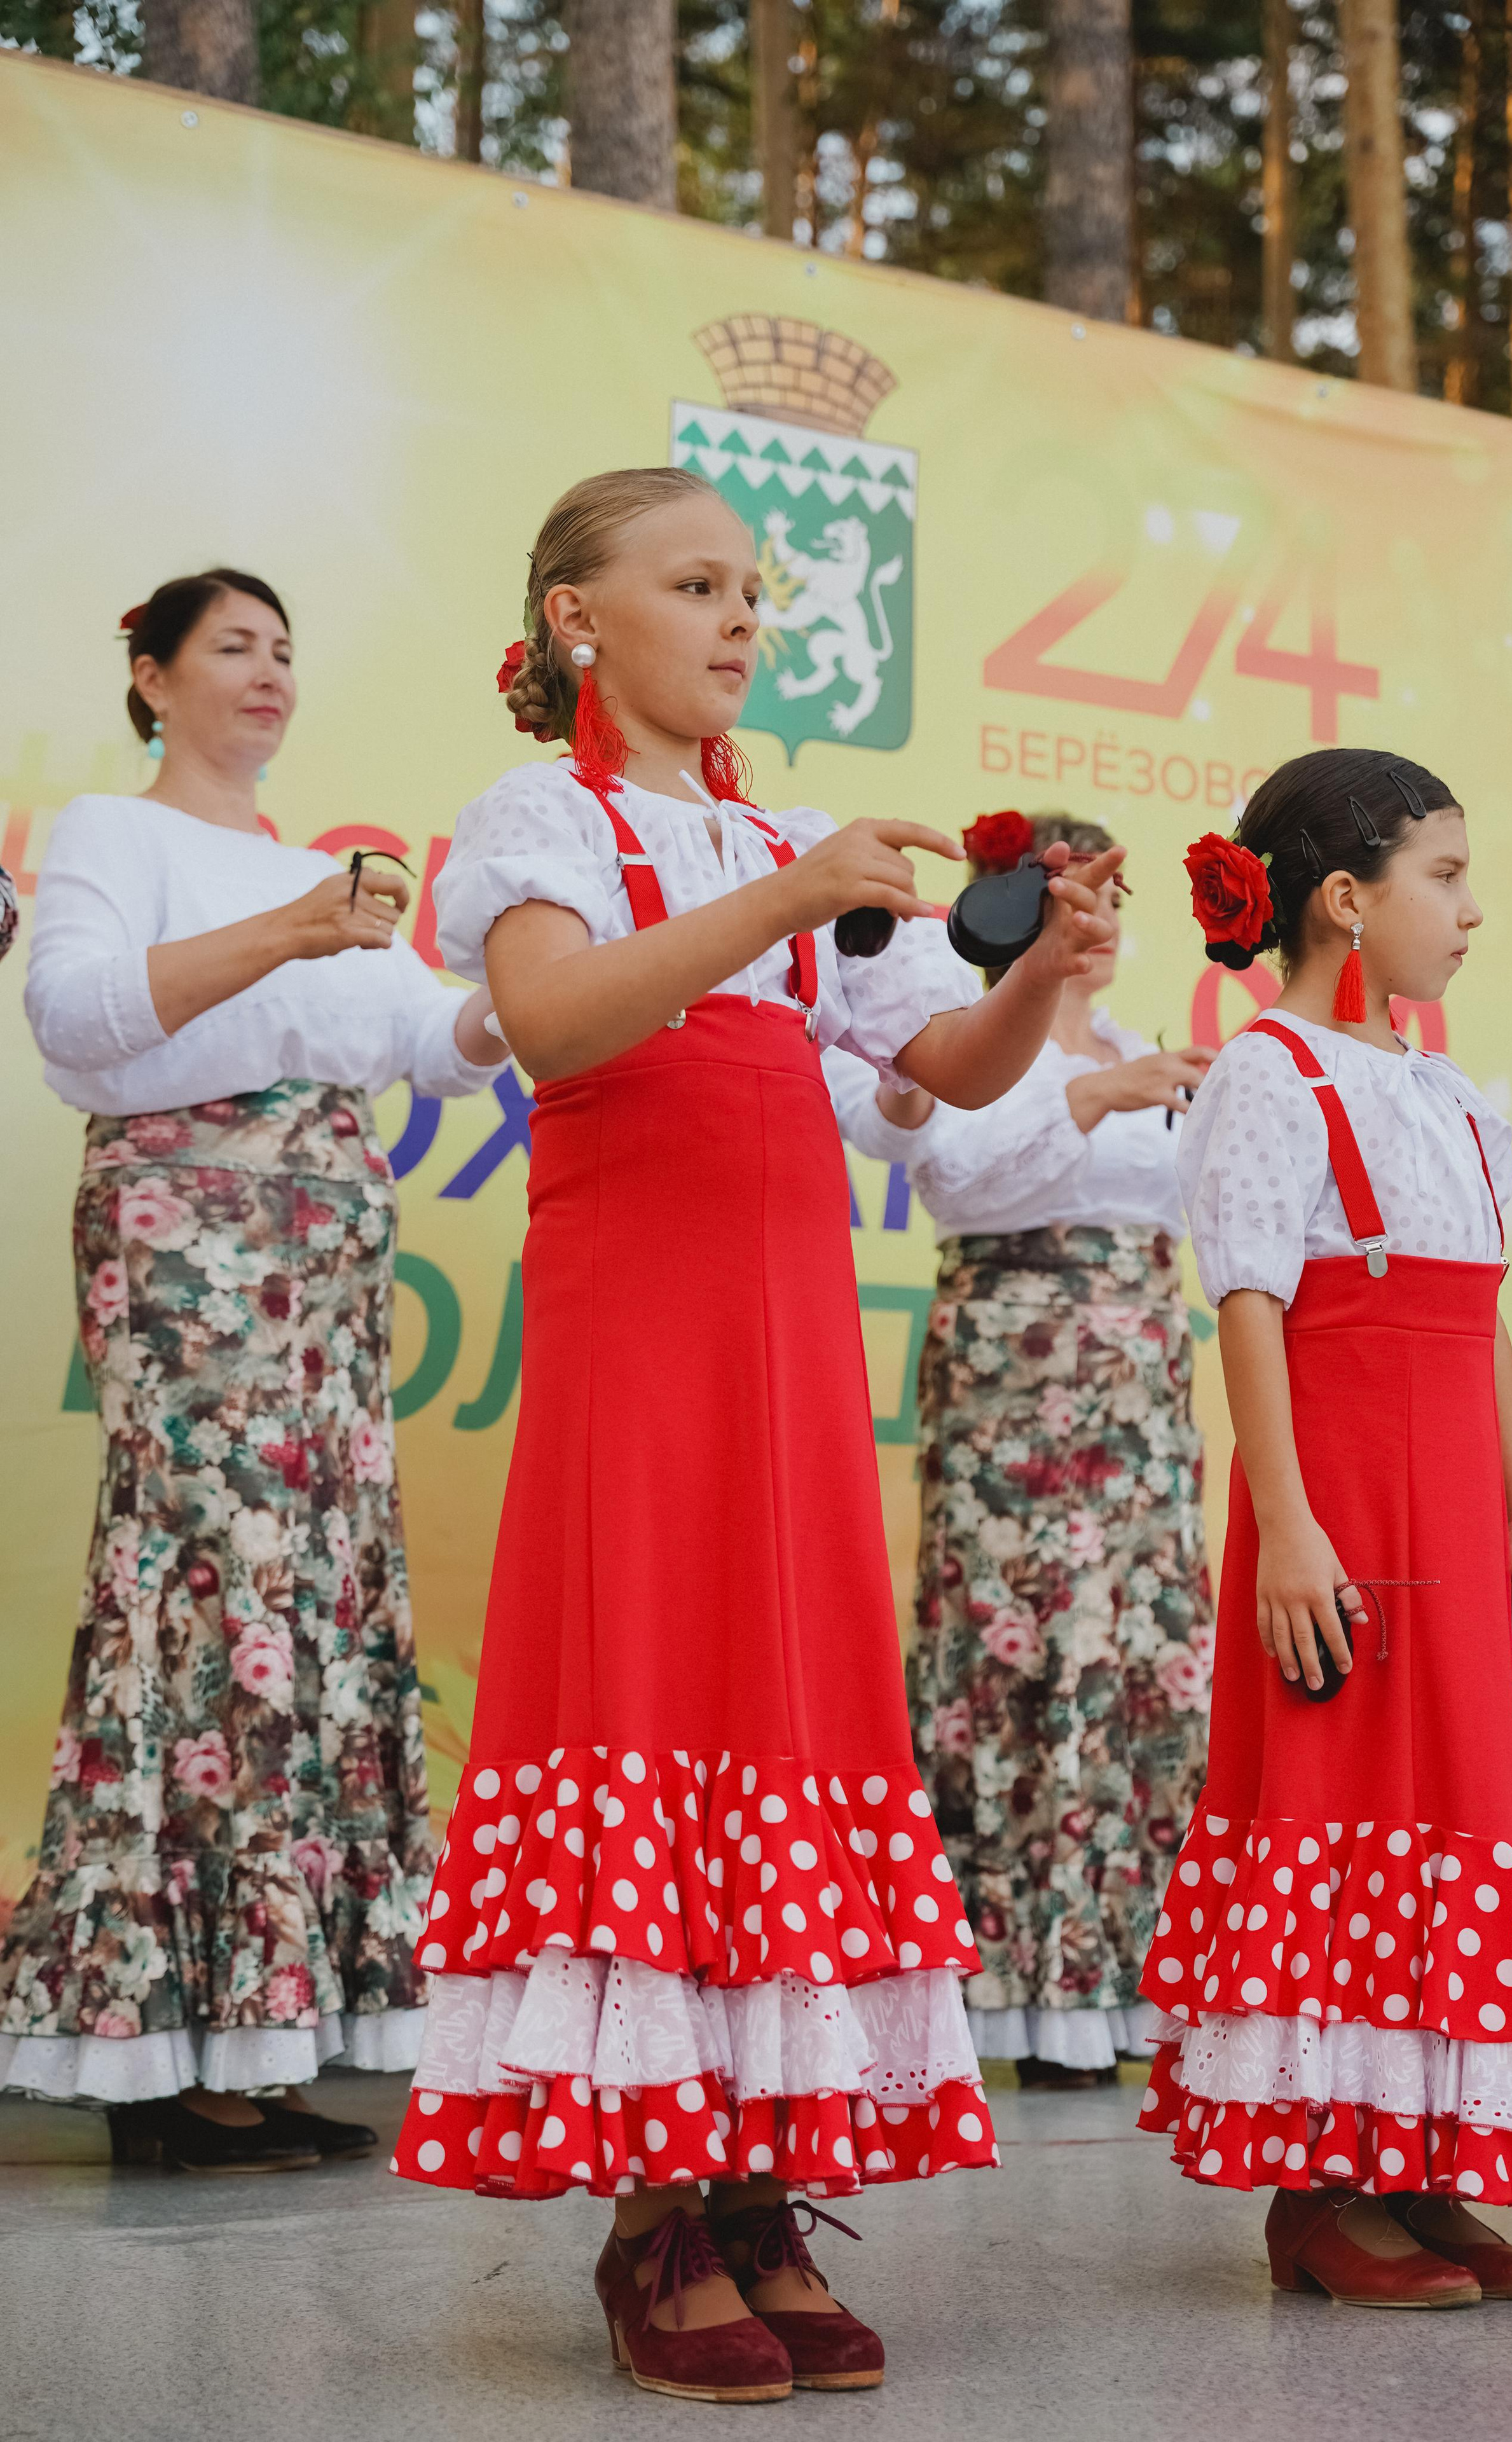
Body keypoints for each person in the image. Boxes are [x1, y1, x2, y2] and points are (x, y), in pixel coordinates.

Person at [392, 466, 1122, 2404]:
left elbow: (932, 1075)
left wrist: (1038, 975)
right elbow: (553, 1028)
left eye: (750, 590)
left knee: (784, 1703)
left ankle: (754, 2177)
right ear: (575, 620)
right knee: (648, 1685)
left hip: (792, 1339)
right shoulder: (543, 820)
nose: (738, 619)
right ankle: (652, 2210)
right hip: (645, 1330)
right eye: (694, 584)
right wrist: (783, 892)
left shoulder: (788, 839)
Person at [1, 569, 507, 2170]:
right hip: (189, 1231)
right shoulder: (111, 832)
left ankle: (267, 2034)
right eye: (233, 647)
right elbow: (76, 1023)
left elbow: (438, 1041)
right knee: (212, 1590)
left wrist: (551, 976)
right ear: (149, 677)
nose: (271, 673)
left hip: (328, 1260)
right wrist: (293, 926)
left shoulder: (322, 874)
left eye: (287, 650)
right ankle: (164, 2058)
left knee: (319, 1598)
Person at [1137, 747, 1512, 2308]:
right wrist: (1285, 1532)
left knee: (1447, 1822)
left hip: (1448, 1523)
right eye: (1444, 877)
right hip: (1337, 1513)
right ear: (1345, 901)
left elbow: (1481, 1322)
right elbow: (1250, 1305)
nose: (1470, 910)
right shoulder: (1269, 1073)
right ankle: (1319, 2195)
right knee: (1339, 1815)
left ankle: (1418, 2166)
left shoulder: (1451, 1097)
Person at [825, 808, 1214, 2092]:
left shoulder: (1140, 1047)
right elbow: (957, 1180)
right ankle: (1010, 1997)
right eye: (1061, 896)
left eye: (1107, 895)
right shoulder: (959, 1035)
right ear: (1012, 908)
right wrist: (1094, 1096)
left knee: (1140, 1668)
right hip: (1012, 1367)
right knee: (1013, 1655)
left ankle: (1130, 1984)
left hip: (1145, 1386)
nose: (1088, 924)